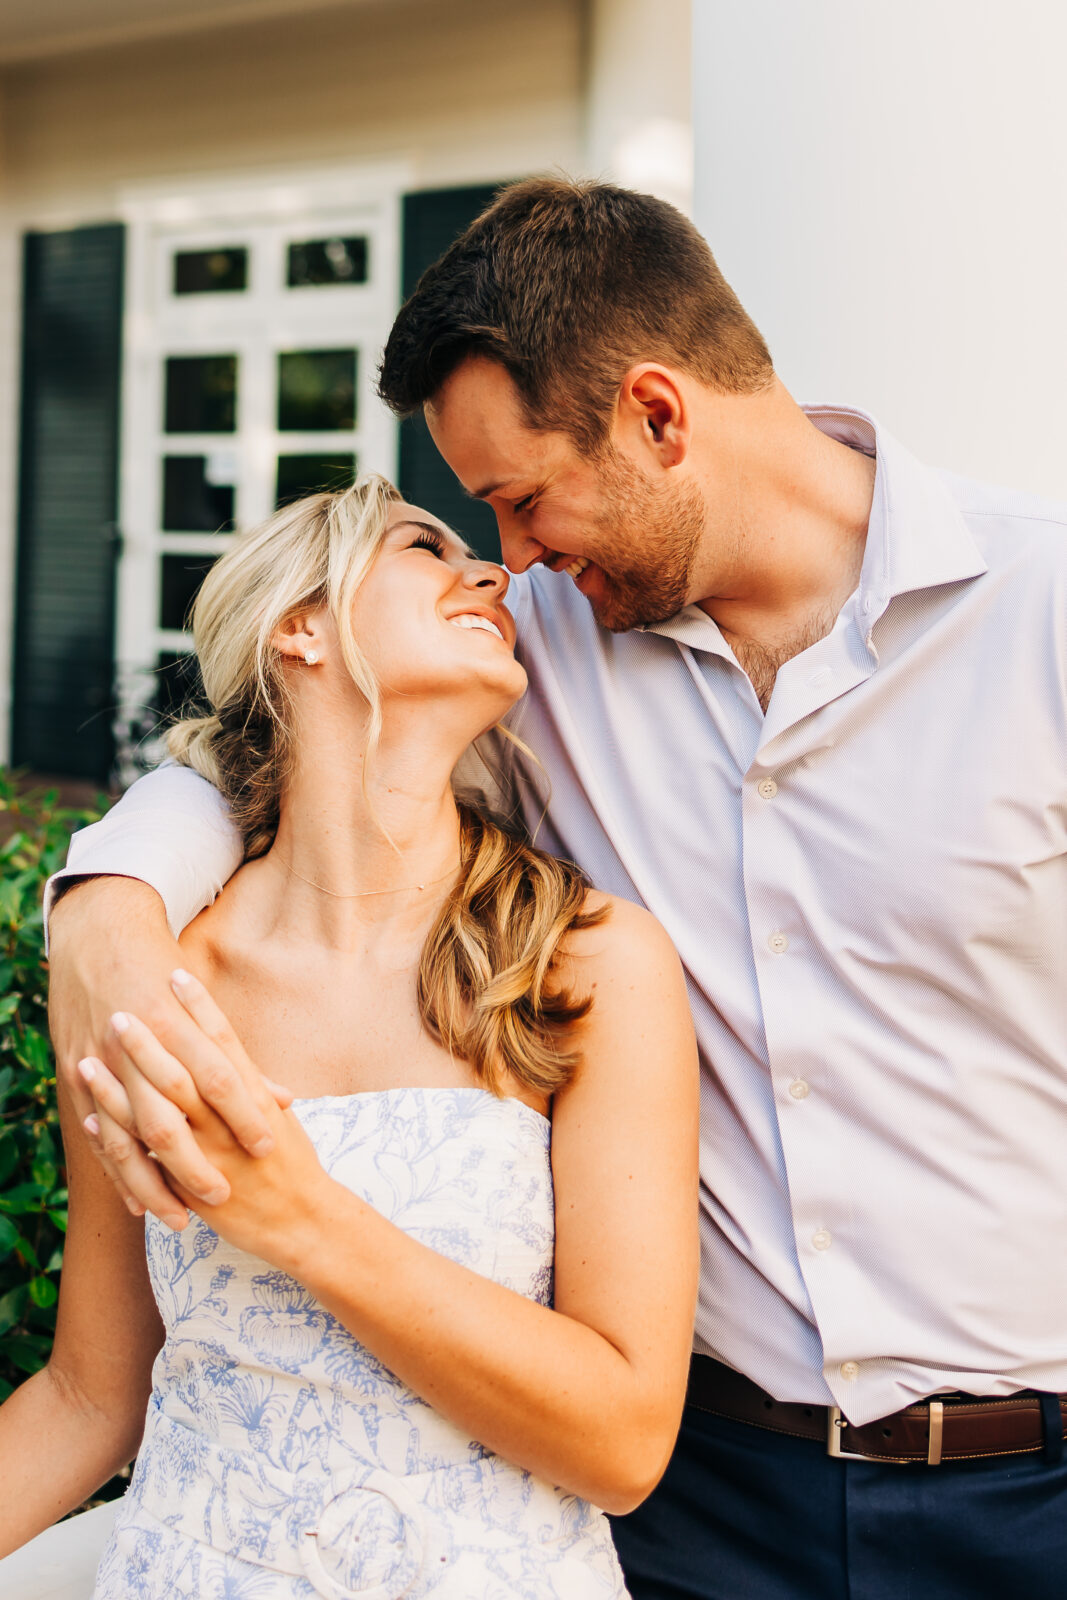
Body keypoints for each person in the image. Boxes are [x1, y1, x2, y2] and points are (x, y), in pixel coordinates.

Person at [44, 177, 1067, 1599]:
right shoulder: (546, 637)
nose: (509, 561)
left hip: (1032, 1487)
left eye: (520, 502)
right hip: (698, 1505)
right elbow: (279, 755)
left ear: (656, 416)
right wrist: (103, 898)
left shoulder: (1039, 619)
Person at [0, 476, 701, 1596]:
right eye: (425, 545)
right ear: (299, 626)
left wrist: (304, 1219)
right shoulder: (151, 978)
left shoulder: (587, 964)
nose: (490, 573)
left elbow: (623, 1444)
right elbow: (90, 1396)